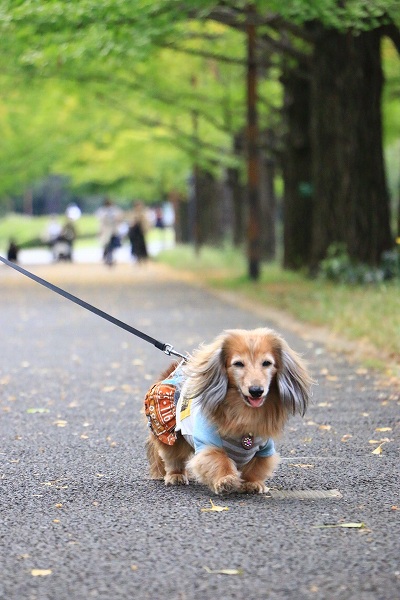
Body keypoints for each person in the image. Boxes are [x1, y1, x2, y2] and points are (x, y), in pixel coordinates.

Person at [96, 198, 123, 266]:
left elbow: (119, 219)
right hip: (107, 231)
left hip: (113, 231)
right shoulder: (103, 211)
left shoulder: (114, 210)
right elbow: (101, 222)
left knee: (112, 245)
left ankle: (109, 258)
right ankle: (108, 257)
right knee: (107, 245)